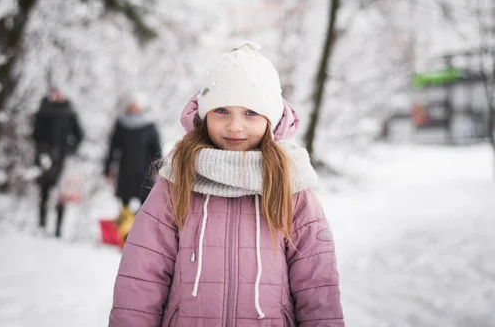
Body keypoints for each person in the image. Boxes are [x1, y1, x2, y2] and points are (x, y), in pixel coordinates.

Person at [109, 42, 344, 326]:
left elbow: (317, 288)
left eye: (251, 112)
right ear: (204, 113)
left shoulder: (291, 186)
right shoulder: (179, 180)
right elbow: (141, 278)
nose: (235, 126)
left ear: (271, 119)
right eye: (222, 110)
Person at [32, 87, 83, 237]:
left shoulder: (69, 112)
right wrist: (42, 150)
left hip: (62, 157)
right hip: (45, 157)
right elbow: (35, 134)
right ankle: (41, 225)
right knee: (44, 191)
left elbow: (79, 135)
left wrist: (69, 149)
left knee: (62, 193)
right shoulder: (43, 110)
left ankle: (58, 230)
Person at [103, 91, 162, 212]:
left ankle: (140, 228)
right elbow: (113, 148)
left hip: (144, 172)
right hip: (125, 171)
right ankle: (126, 229)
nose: (134, 109)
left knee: (144, 205)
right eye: (132, 106)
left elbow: (156, 150)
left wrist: (156, 169)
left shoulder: (149, 126)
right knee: (125, 206)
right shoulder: (121, 124)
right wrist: (108, 168)